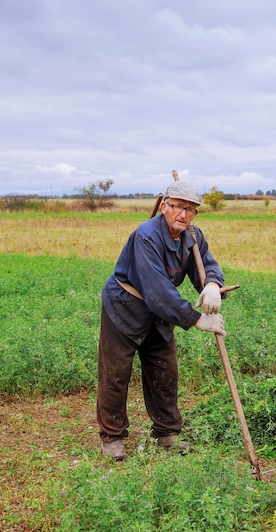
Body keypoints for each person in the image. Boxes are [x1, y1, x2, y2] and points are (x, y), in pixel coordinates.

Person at [97, 180, 226, 460]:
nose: (184, 214)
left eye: (190, 209)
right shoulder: (146, 236)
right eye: (178, 207)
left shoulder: (193, 236)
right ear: (165, 206)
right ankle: (112, 437)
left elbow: (207, 264)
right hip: (126, 305)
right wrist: (196, 319)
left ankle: (167, 432)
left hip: (160, 311)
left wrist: (213, 285)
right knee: (116, 374)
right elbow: (156, 290)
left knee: (164, 370)